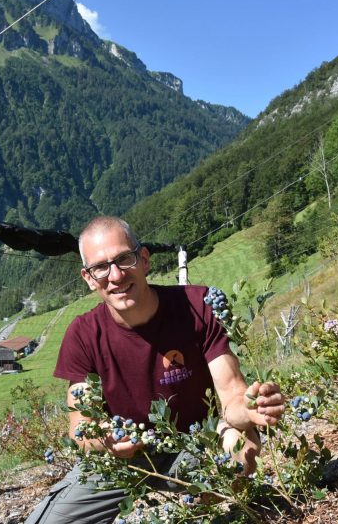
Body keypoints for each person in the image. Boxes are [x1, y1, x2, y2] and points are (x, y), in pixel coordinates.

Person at [25, 216, 286, 524]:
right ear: (89, 278)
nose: (116, 275)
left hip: (193, 444)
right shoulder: (82, 335)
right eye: (101, 267)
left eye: (125, 259)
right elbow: (80, 428)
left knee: (237, 447)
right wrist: (105, 440)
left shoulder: (198, 307)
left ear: (144, 259)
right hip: (122, 461)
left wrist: (251, 407)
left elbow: (231, 393)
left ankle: (212, 507)